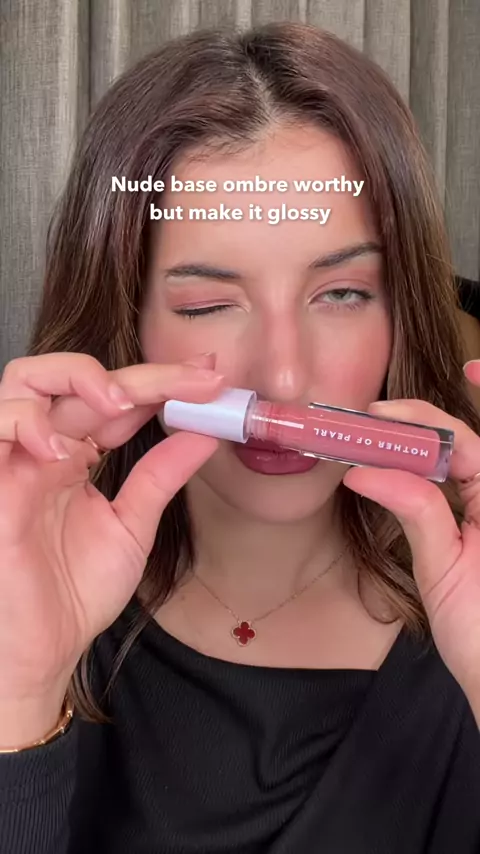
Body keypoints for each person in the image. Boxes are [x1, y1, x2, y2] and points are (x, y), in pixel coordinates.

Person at [1, 20, 480, 854]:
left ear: (403, 311)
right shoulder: (34, 596)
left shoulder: (465, 620)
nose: (285, 379)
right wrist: (14, 693)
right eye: (206, 305)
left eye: (342, 294)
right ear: (125, 323)